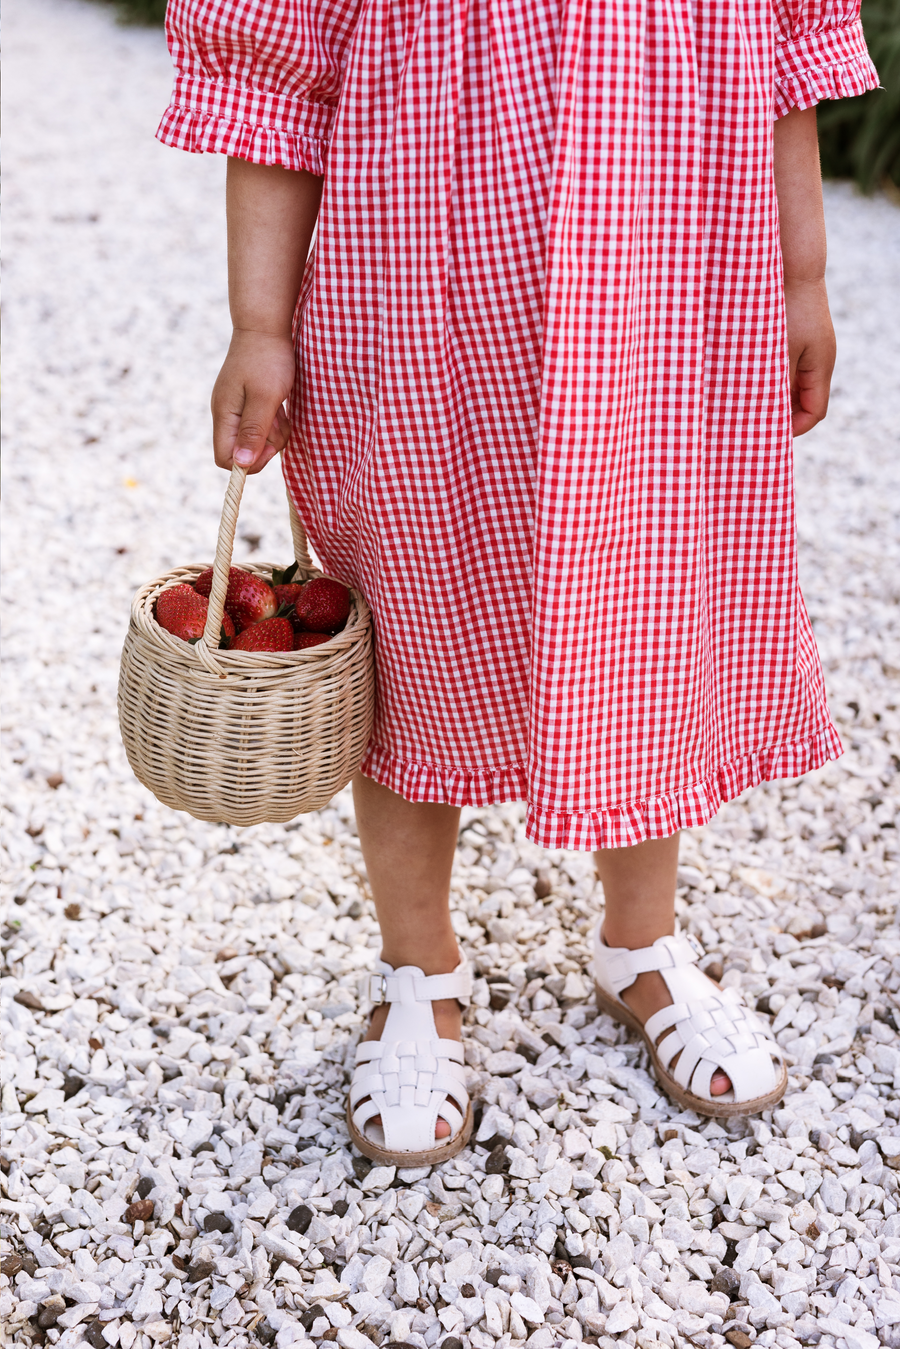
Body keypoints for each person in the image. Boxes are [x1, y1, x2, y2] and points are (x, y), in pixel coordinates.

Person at [157, 0, 878, 1161]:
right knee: (409, 625)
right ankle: (418, 967)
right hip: (412, 311)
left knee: (643, 610)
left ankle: (640, 942)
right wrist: (258, 323)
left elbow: (782, 62)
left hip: (666, 309)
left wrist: (801, 279)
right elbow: (282, 79)